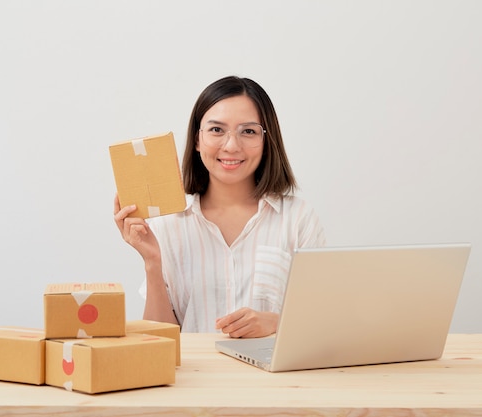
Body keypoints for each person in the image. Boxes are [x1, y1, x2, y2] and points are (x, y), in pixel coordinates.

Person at [114, 76, 326, 338]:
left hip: (274, 378)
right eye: (216, 130)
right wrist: (152, 261)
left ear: (266, 140)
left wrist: (276, 322)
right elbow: (158, 341)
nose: (231, 145)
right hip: (195, 378)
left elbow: (322, 326)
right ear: (197, 139)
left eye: (248, 131)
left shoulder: (297, 219)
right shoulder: (166, 224)